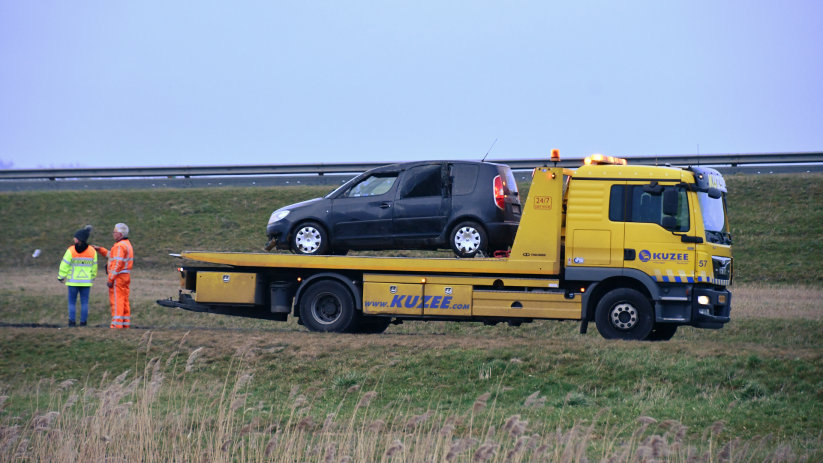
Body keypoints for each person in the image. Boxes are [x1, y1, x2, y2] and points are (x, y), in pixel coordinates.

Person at [94, 223, 134, 329]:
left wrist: (111, 278)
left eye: (114, 232)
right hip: (125, 276)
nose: (113, 234)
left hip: (118, 278)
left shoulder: (120, 246)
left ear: (120, 234)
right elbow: (112, 255)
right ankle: (125, 323)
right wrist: (100, 250)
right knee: (124, 300)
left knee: (117, 301)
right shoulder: (126, 244)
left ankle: (116, 325)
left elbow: (117, 263)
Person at [58, 225, 97, 327]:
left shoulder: (71, 250)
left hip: (73, 281)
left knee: (72, 303)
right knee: (84, 303)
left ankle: (72, 322)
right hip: (86, 282)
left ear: (78, 239)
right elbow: (94, 265)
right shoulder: (92, 251)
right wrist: (92, 276)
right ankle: (83, 322)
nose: (73, 238)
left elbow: (64, 264)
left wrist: (61, 276)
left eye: (75, 237)